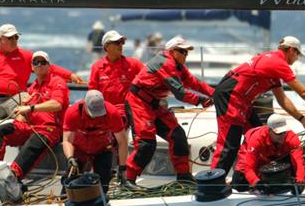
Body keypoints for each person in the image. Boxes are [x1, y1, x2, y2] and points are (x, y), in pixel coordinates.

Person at [210, 36, 305, 179]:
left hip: (241, 99)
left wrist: (302, 120)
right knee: (229, 145)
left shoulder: (272, 64)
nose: (297, 59)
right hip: (232, 96)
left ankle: (246, 178)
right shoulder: (278, 63)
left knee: (259, 135)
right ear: (291, 50)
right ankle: (212, 186)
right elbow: (303, 91)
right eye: (297, 55)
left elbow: (283, 100)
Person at [0, 23, 82, 135]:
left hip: (17, 97)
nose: (14, 40)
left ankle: (18, 146)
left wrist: (70, 75)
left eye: (16, 37)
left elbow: (47, 66)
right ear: (0, 39)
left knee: (25, 112)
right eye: (10, 38)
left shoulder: (26, 56)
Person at [125, 36, 214, 185]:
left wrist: (214, 93)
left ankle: (184, 176)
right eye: (182, 51)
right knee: (146, 144)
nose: (186, 55)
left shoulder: (178, 66)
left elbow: (195, 83)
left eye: (187, 52)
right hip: (138, 103)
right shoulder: (166, 62)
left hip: (154, 105)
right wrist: (200, 100)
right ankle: (128, 179)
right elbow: (180, 92)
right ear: (172, 51)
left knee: (177, 135)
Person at [0, 51, 69, 189]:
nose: (39, 65)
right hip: (32, 127)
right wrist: (21, 110)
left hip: (50, 129)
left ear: (49, 66)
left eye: (43, 62)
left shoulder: (57, 82)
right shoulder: (33, 88)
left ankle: (14, 176)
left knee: (36, 138)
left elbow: (57, 104)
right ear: (32, 67)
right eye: (36, 63)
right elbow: (23, 118)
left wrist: (30, 108)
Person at [62, 90, 129, 193]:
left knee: (103, 183)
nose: (96, 116)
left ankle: (98, 204)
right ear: (85, 104)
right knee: (69, 184)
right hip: (79, 149)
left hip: (103, 148)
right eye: (93, 112)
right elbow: (67, 140)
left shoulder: (113, 113)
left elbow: (122, 141)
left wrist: (122, 167)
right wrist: (70, 158)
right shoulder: (73, 113)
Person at [232, 114, 305, 192]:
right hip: (255, 155)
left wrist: (300, 180)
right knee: (239, 184)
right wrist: (257, 183)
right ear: (269, 130)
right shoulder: (256, 140)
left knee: (298, 173)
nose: (283, 136)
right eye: (278, 133)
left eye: (284, 132)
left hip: (277, 156)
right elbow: (248, 167)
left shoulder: (292, 138)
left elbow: (299, 162)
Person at [88, 30, 144, 125]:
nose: (120, 45)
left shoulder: (134, 64)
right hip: (104, 112)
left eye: (122, 42)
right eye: (117, 42)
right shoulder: (97, 67)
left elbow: (150, 76)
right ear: (106, 46)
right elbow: (92, 93)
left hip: (127, 112)